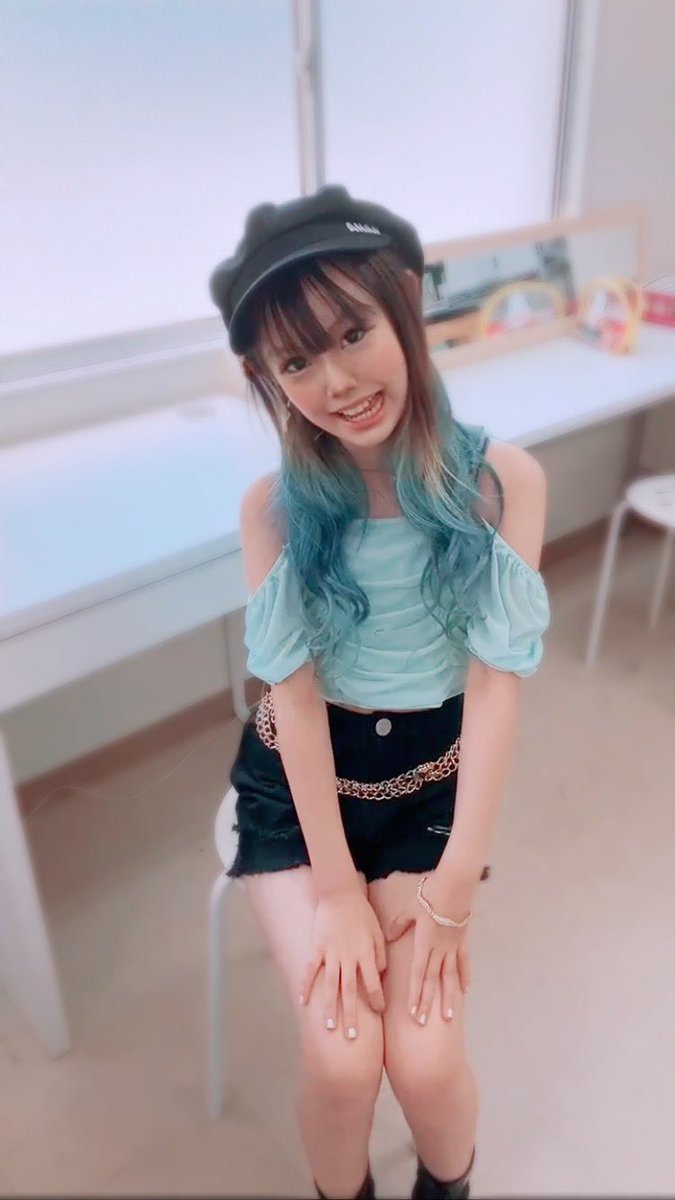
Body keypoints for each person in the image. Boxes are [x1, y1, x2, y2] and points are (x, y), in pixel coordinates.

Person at [208, 186, 550, 1200]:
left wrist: (452, 891)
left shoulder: (501, 485)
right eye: (295, 362)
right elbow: (293, 697)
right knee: (343, 1058)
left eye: (352, 332)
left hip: (427, 785)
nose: (337, 382)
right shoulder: (273, 509)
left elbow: (493, 693)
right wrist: (334, 890)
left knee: (427, 1061)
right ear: (264, 378)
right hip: (299, 792)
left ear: (405, 300)